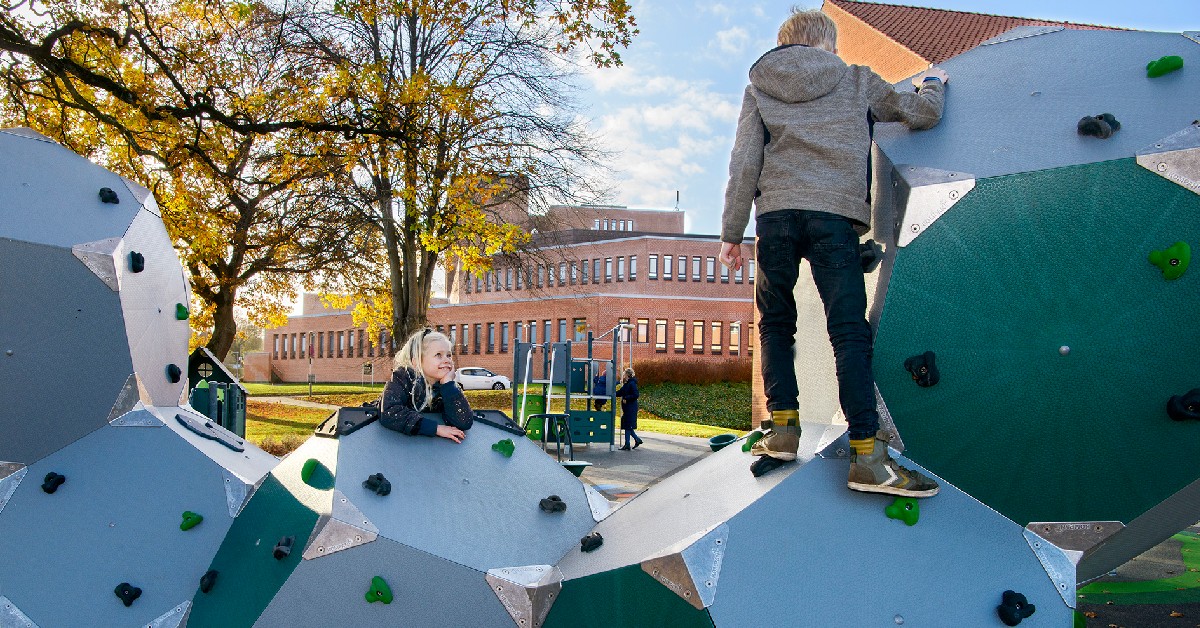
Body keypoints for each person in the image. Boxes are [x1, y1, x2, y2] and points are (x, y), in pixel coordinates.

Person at [719, 8, 946, 497]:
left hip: (775, 218)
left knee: (776, 324)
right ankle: (867, 456)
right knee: (847, 330)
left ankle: (781, 430)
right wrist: (934, 84)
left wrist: (731, 234)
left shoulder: (759, 88)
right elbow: (920, 115)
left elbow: (744, 161)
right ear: (826, 42)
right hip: (833, 216)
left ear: (786, 44)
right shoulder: (856, 79)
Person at [380, 328, 473, 442]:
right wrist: (435, 428)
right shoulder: (402, 378)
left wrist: (448, 384)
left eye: (448, 355)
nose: (447, 360)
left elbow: (464, 422)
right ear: (417, 362)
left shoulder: (447, 386)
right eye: (438, 355)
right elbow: (390, 412)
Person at [615, 367, 643, 450]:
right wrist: (612, 393)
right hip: (628, 408)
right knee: (628, 425)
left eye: (624, 374)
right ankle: (636, 440)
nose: (623, 375)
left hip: (631, 408)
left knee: (628, 426)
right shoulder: (628, 383)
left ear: (627, 374)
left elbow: (636, 395)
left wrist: (626, 398)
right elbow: (620, 392)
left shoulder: (632, 384)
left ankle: (628, 443)